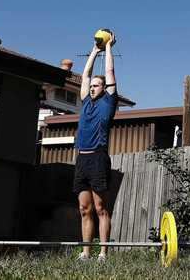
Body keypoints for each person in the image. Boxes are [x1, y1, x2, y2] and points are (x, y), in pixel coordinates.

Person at [72, 31, 118, 262]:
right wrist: (94, 50)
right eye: (92, 85)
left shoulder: (108, 103)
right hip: (81, 159)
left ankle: (103, 253)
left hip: (98, 158)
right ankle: (86, 252)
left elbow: (109, 72)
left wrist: (108, 46)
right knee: (84, 209)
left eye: (97, 85)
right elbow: (85, 75)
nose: (92, 87)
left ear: (104, 88)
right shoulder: (86, 101)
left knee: (101, 208)